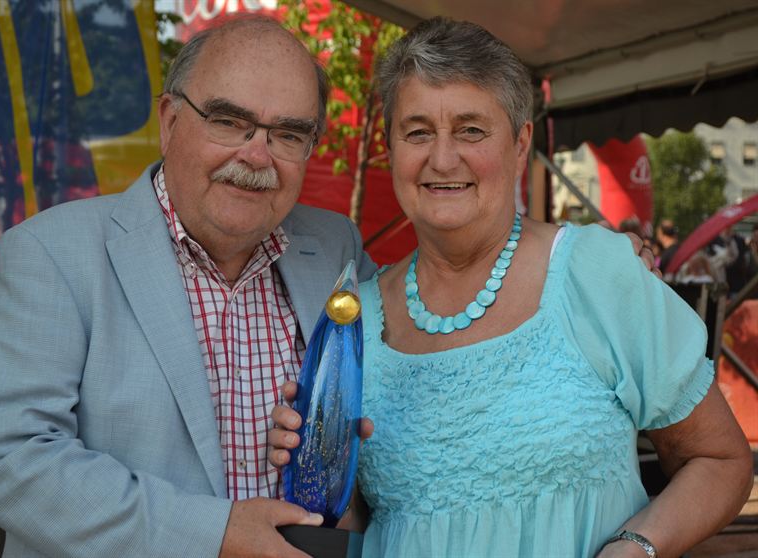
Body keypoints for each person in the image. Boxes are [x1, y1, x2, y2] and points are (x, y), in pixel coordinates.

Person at [269, 18, 753, 558]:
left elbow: (719, 460)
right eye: (418, 132)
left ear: (521, 145)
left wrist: (636, 545)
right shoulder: (354, 318)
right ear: (390, 147)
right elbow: (373, 520)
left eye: (471, 130)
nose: (442, 158)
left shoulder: (596, 272)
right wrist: (316, 470)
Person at [0, 17, 377, 558]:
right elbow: (1, 456)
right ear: (169, 120)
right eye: (229, 122)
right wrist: (212, 534)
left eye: (289, 135)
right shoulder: (50, 253)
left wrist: (357, 480)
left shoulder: (337, 247)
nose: (257, 155)